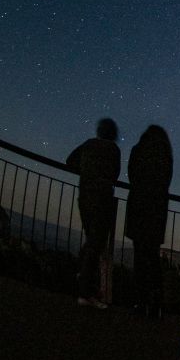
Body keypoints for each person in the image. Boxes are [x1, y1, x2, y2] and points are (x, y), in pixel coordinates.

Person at [67, 118, 121, 309]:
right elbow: (115, 174)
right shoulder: (113, 150)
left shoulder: (89, 144)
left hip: (85, 195)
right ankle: (85, 291)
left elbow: (70, 161)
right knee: (96, 243)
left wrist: (86, 172)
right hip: (102, 198)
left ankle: (83, 279)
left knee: (92, 240)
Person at [127, 124, 173, 319]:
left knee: (140, 258)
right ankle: (156, 305)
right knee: (152, 259)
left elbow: (132, 175)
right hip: (157, 211)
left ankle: (141, 302)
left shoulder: (138, 150)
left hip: (138, 207)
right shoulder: (165, 155)